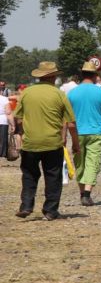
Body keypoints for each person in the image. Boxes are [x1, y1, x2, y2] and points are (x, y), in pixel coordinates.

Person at [14, 61, 80, 221]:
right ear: (53, 77)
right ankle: (50, 211)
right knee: (53, 176)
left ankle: (26, 206)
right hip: (52, 143)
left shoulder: (27, 93)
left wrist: (23, 133)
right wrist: (76, 145)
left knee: (29, 175)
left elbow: (18, 118)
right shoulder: (59, 94)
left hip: (30, 143)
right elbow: (71, 123)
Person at [67, 62, 101, 206]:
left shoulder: (72, 93)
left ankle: (82, 193)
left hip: (77, 133)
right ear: (96, 76)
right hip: (96, 133)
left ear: (82, 75)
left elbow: (65, 116)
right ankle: (87, 194)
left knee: (80, 163)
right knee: (92, 162)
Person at [0, 86, 13, 158]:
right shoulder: (4, 99)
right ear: (1, 91)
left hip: (3, 119)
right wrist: (13, 125)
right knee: (3, 138)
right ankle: (2, 153)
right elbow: (8, 112)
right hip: (3, 120)